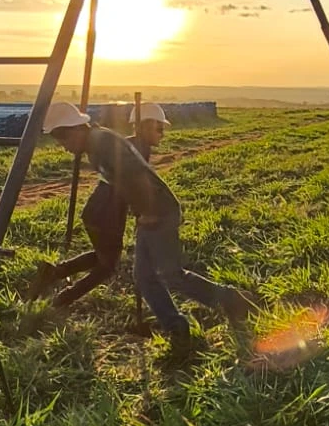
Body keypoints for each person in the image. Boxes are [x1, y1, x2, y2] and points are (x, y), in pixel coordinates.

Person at [40, 99, 249, 349]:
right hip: (149, 213)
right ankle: (176, 327)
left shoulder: (101, 143)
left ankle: (231, 300)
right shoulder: (96, 144)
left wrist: (148, 211)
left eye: (63, 141)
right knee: (144, 276)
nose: (64, 148)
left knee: (171, 275)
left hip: (159, 211)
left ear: (74, 130)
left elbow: (136, 176)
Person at [29, 102, 168, 309]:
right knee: (107, 265)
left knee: (104, 256)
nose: (162, 134)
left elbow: (129, 179)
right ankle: (62, 300)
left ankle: (54, 273)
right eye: (159, 128)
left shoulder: (108, 142)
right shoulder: (109, 143)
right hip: (106, 213)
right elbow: (131, 180)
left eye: (64, 140)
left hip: (103, 211)